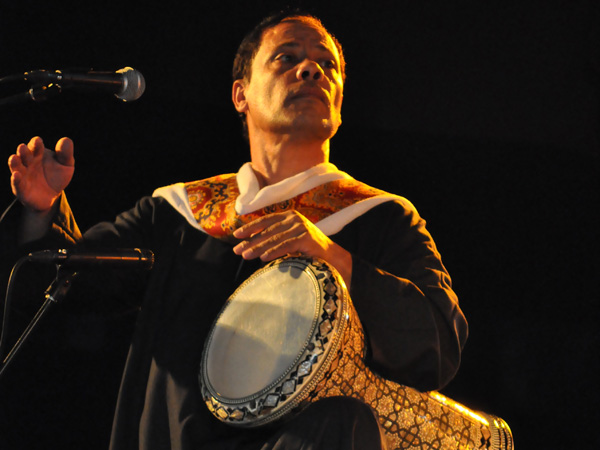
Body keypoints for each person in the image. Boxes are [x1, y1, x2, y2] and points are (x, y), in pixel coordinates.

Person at [4, 11, 468, 450]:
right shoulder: (179, 212)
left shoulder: (379, 217)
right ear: (240, 94)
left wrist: (333, 256)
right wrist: (42, 209)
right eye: (287, 57)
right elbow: (67, 290)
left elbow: (437, 347)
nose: (311, 69)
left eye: (327, 64)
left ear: (340, 104)